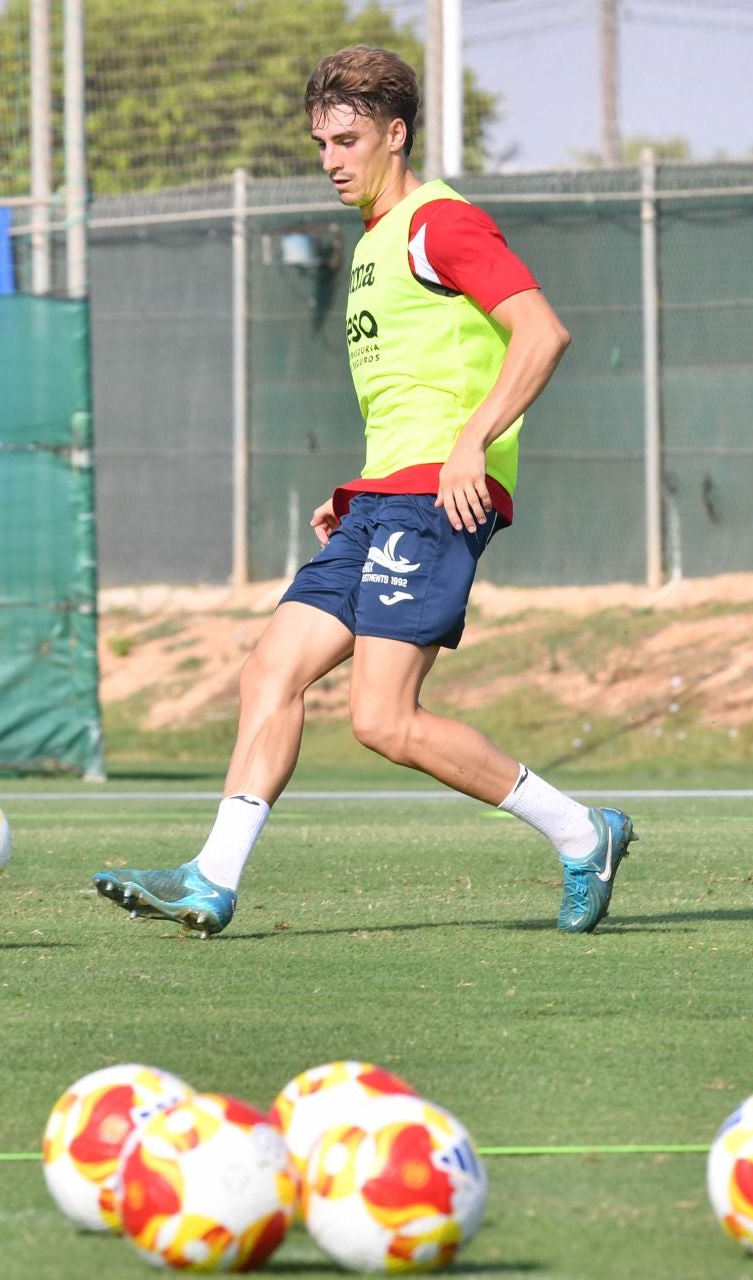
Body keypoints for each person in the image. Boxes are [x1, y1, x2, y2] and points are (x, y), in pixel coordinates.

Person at [93, 45, 635, 938]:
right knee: (268, 669)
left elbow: (542, 333)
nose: (331, 160)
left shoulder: (440, 224)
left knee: (383, 720)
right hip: (387, 500)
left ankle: (583, 835)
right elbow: (416, 387)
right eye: (320, 143)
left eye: (347, 140)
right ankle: (210, 880)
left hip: (439, 503)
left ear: (395, 133)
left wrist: (471, 445)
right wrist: (360, 490)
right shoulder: (379, 241)